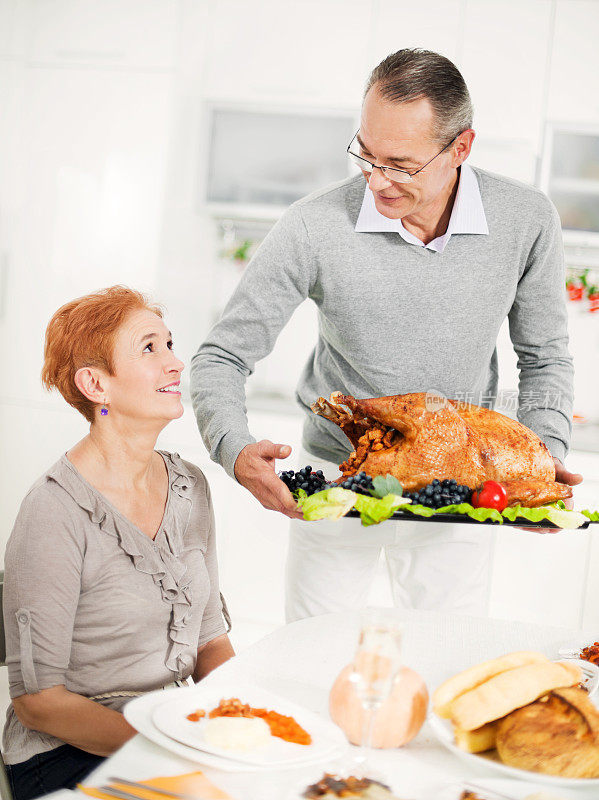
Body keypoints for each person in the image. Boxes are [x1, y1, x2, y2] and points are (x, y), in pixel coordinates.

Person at [190, 49, 582, 622]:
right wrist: (233, 446)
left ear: (461, 149)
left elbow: (545, 359)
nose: (376, 179)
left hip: (461, 485)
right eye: (364, 155)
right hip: (337, 479)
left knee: (444, 656)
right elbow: (221, 356)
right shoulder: (314, 224)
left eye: (400, 164)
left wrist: (543, 457)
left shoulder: (527, 220)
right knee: (313, 653)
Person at [3, 286, 234, 800]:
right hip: (65, 756)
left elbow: (209, 641)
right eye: (150, 348)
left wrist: (241, 721)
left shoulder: (188, 485)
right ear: (95, 384)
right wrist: (165, 745)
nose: (176, 362)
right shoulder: (54, 511)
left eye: (171, 343)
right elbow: (39, 703)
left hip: (171, 729)